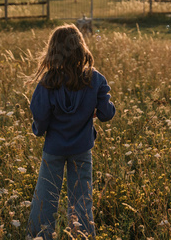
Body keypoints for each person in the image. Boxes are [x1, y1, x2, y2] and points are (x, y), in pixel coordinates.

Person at [27, 24, 115, 239]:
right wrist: (95, 108)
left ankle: (41, 235)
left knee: (46, 196)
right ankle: (81, 235)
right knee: (81, 197)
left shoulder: (47, 82)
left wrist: (40, 130)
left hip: (53, 149)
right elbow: (107, 113)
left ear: (53, 51)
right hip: (82, 149)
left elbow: (39, 115)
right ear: (80, 48)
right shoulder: (95, 79)